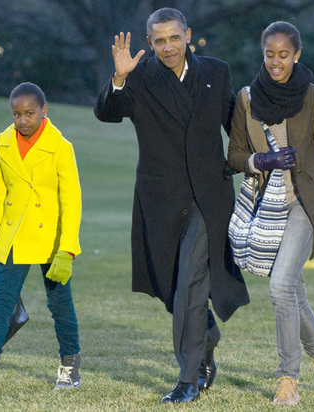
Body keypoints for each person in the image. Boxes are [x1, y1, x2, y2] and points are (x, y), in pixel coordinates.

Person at [94, 8, 250, 404]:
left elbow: (235, 125)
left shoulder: (215, 72)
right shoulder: (139, 78)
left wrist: (258, 161)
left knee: (190, 287)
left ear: (188, 35)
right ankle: (207, 335)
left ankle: (189, 378)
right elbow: (107, 114)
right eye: (159, 40)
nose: (167, 47)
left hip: (207, 198)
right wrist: (119, 78)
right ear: (150, 43)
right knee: (171, 288)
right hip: (160, 200)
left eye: (173, 38)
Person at [227, 21, 314, 406]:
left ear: (296, 54)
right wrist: (261, 159)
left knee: (282, 284)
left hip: (305, 205)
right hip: (267, 207)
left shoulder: (313, 96)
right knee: (292, 290)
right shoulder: (247, 99)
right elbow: (234, 155)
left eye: (283, 55)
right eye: (269, 55)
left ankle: (288, 380)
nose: (275, 62)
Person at [0, 82, 83, 395]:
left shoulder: (61, 147)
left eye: (30, 113)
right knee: (1, 301)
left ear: (44, 111)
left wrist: (67, 250)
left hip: (52, 241)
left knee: (60, 305)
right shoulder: (2, 142)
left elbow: (72, 201)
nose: (23, 119)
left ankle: (70, 369)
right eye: (16, 114)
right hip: (13, 237)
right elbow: (0, 196)